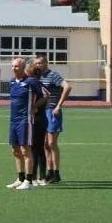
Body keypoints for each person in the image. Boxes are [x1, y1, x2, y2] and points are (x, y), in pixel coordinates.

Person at [34, 55, 72, 183]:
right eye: (36, 63)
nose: (38, 65)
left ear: (46, 63)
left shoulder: (53, 75)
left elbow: (67, 87)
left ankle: (56, 173)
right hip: (43, 112)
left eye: (40, 63)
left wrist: (59, 106)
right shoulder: (38, 77)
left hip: (52, 111)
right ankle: (50, 172)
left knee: (52, 143)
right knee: (45, 144)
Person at [6, 57, 43, 189]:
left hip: (25, 120)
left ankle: (29, 181)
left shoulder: (31, 81)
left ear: (22, 67)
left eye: (16, 66)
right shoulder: (12, 82)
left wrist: (35, 107)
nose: (13, 68)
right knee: (15, 150)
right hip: (13, 120)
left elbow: (45, 95)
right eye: (12, 66)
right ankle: (20, 178)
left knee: (25, 149)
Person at [26, 59, 49, 185]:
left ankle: (35, 177)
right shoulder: (38, 83)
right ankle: (41, 177)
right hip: (41, 119)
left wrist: (34, 106)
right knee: (38, 149)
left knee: (34, 148)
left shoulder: (34, 83)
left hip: (37, 120)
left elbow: (47, 96)